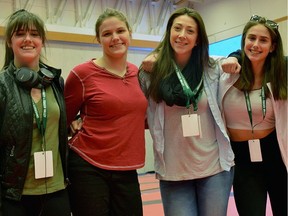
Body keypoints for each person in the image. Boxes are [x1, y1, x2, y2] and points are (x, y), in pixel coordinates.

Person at [139, 7, 234, 216]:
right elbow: (130, 104)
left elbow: (239, 63)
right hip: (173, 172)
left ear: (198, 39)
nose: (182, 35)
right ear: (169, 33)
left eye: (190, 31)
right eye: (177, 28)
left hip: (214, 168)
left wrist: (235, 58)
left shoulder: (212, 69)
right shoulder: (150, 72)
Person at [64, 8, 148, 216]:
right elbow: (62, 116)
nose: (115, 38)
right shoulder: (81, 74)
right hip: (87, 166)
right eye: (107, 33)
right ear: (98, 39)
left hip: (127, 168)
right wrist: (74, 121)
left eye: (120, 31)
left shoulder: (139, 74)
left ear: (130, 33)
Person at [0, 9, 71, 216]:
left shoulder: (55, 82)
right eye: (20, 34)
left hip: (57, 189)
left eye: (34, 34)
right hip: (16, 194)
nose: (28, 39)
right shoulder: (2, 85)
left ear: (42, 41)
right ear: (9, 42)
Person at [219, 15, 287, 216]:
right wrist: (234, 56)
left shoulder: (282, 75)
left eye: (263, 40)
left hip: (276, 155)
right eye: (251, 38)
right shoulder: (227, 73)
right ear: (243, 41)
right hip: (242, 160)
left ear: (273, 47)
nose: (256, 45)